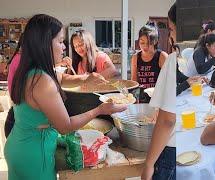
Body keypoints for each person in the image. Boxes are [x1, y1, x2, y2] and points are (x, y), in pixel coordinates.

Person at [4, 14, 127, 180]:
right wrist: (99, 109)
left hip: (18, 145)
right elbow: (65, 126)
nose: (64, 47)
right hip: (34, 154)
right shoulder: (42, 81)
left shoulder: (29, 70)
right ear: (45, 44)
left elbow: (62, 78)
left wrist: (87, 77)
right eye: (60, 41)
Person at [141, 3, 176, 180]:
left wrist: (148, 163)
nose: (170, 34)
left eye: (171, 28)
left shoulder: (168, 59)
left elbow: (167, 120)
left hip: (169, 146)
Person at [131, 23, 168, 102]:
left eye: (149, 43)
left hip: (158, 99)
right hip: (142, 99)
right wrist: (133, 99)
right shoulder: (135, 57)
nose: (145, 46)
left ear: (155, 41)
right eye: (142, 43)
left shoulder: (162, 56)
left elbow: (168, 82)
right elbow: (134, 82)